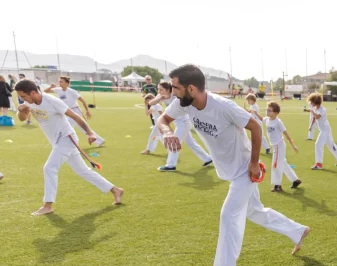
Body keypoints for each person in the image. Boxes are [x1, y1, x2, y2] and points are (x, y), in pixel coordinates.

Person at [155, 64, 310, 266]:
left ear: (190, 88)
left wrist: (254, 162)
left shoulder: (224, 107)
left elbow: (256, 128)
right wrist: (167, 132)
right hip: (228, 169)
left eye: (175, 88)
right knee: (254, 212)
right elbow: (162, 120)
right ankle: (298, 231)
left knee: (228, 214)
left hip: (244, 170)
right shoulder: (184, 103)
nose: (172, 92)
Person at [14, 79, 124, 216]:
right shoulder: (27, 102)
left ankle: (47, 205)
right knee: (83, 171)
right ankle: (115, 190)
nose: (22, 99)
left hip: (67, 138)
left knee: (49, 168)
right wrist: (21, 112)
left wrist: (90, 133)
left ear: (32, 92)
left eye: (23, 96)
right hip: (56, 141)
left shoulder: (52, 101)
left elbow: (76, 117)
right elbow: (22, 118)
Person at [148, 82, 213, 171]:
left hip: (184, 122)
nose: (159, 91)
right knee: (191, 143)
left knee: (175, 142)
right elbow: (151, 103)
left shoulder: (176, 96)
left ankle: (170, 165)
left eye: (161, 89)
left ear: (168, 90)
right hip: (178, 123)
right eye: (158, 89)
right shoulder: (160, 95)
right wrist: (159, 97)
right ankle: (208, 159)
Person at [45, 76, 105, 147]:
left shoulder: (72, 91)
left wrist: (87, 110)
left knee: (67, 126)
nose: (59, 83)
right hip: (68, 112)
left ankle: (65, 144)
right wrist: (50, 87)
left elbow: (83, 100)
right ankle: (100, 140)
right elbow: (45, 91)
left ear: (67, 83)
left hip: (75, 111)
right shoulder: (58, 90)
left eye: (61, 82)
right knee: (83, 129)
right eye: (59, 82)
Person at [264, 101, 301, 192]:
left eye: (270, 110)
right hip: (274, 146)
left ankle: (277, 185)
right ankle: (295, 180)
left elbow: (286, 134)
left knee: (276, 164)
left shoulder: (278, 122)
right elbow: (260, 118)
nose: (267, 112)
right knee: (283, 164)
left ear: (276, 113)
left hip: (278, 146)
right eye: (267, 110)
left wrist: (293, 146)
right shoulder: (267, 119)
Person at [307, 92, 337, 170]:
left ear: (315, 102)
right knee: (331, 145)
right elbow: (314, 118)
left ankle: (319, 164)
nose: (311, 103)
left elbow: (317, 117)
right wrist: (311, 125)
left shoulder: (322, 109)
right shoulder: (315, 108)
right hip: (324, 129)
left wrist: (311, 111)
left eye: (312, 101)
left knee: (318, 144)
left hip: (325, 129)